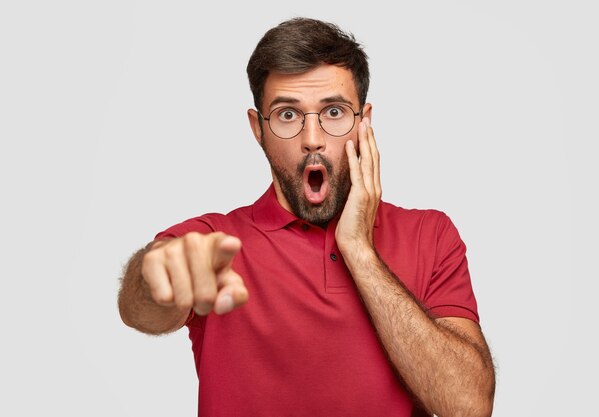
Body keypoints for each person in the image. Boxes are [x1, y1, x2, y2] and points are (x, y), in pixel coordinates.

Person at [118, 17, 495, 417]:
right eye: (286, 115)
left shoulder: (429, 234)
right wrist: (158, 278)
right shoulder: (216, 239)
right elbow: (142, 307)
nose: (312, 138)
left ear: (363, 122)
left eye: (333, 112)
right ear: (257, 129)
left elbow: (467, 407)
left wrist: (359, 251)